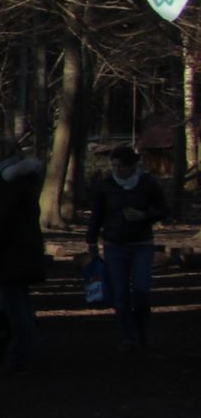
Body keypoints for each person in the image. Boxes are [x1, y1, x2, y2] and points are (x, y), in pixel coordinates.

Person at [84, 146, 170, 353]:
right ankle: (128, 335)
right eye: (113, 165)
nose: (116, 169)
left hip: (141, 243)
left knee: (141, 289)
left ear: (132, 166)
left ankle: (142, 331)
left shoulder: (147, 183)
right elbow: (97, 215)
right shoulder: (105, 186)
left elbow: (163, 209)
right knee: (120, 292)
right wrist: (92, 240)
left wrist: (144, 216)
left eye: (120, 166)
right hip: (114, 243)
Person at [0, 136, 45, 371]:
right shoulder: (24, 180)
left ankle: (21, 354)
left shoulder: (5, 183)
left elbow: (1, 221)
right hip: (24, 249)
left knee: (15, 305)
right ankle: (27, 349)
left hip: (11, 253)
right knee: (21, 303)